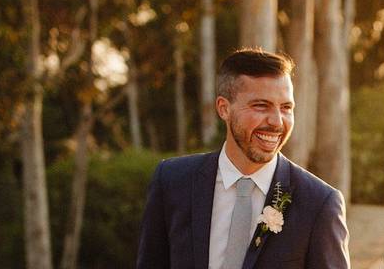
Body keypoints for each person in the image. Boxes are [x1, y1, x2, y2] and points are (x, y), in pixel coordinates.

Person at [136, 48, 349, 269]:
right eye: (261, 105)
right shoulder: (171, 181)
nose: (277, 122)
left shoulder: (320, 203)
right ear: (224, 108)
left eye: (286, 108)